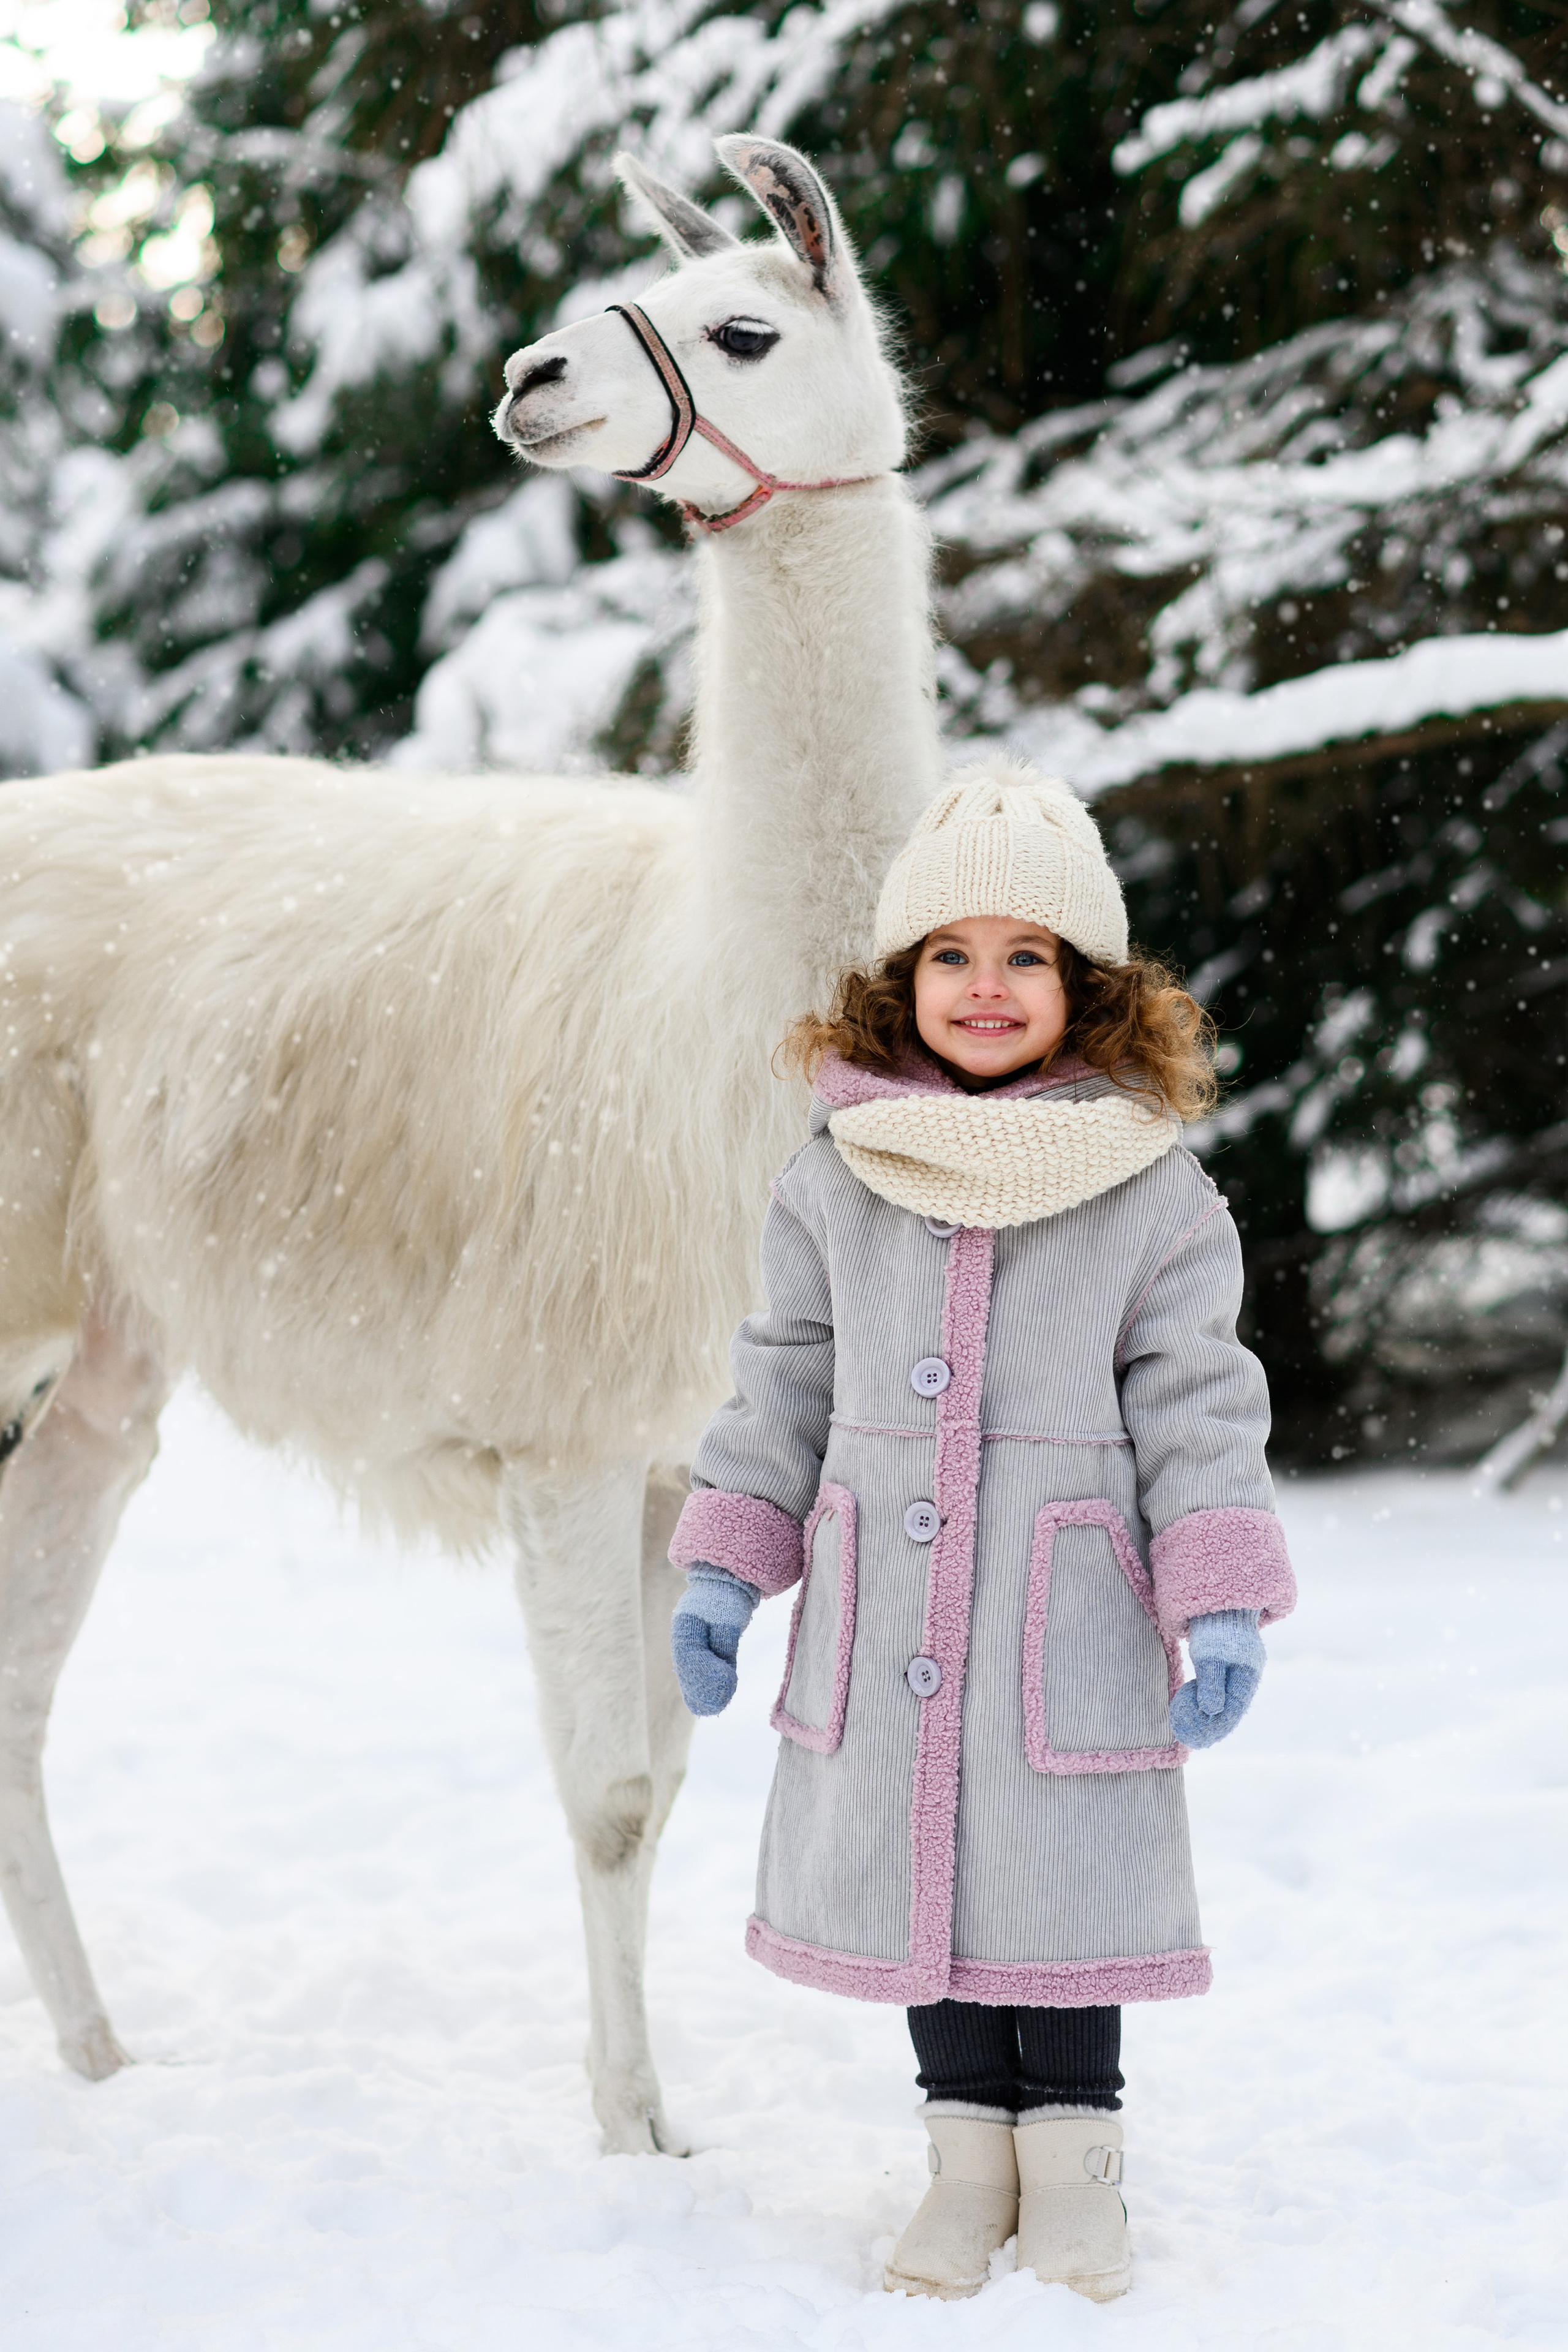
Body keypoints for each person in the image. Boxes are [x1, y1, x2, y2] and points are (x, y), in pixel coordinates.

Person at [667, 753, 1296, 2303]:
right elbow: (781, 1384)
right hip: (891, 1607)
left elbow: (1198, 1405)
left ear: (1089, 988)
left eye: (1027, 957)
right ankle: (963, 2163)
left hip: (1062, 1607)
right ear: (900, 983)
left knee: (1056, 1880)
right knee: (917, 1878)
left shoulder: (1154, 1191)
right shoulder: (836, 1177)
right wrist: (723, 1567)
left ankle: (1074, 2172)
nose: (986, 985)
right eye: (950, 955)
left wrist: (1211, 1594)